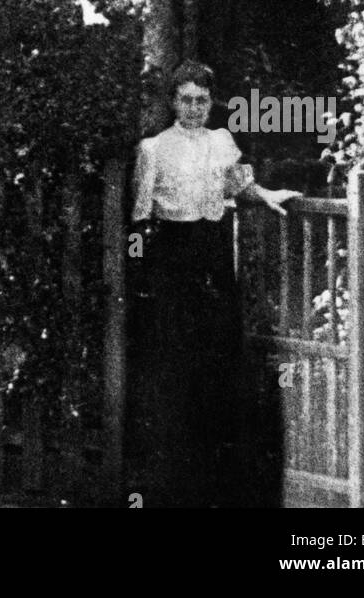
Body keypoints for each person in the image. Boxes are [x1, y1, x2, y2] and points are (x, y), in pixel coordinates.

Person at [128, 61, 298, 507]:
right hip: (171, 258)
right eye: (185, 99)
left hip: (214, 256)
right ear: (172, 102)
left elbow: (242, 185)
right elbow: (141, 218)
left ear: (210, 102)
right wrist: (143, 276)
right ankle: (172, 485)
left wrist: (268, 195)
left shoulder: (221, 142)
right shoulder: (154, 148)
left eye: (201, 100)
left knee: (219, 359)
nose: (194, 108)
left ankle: (215, 483)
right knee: (174, 364)